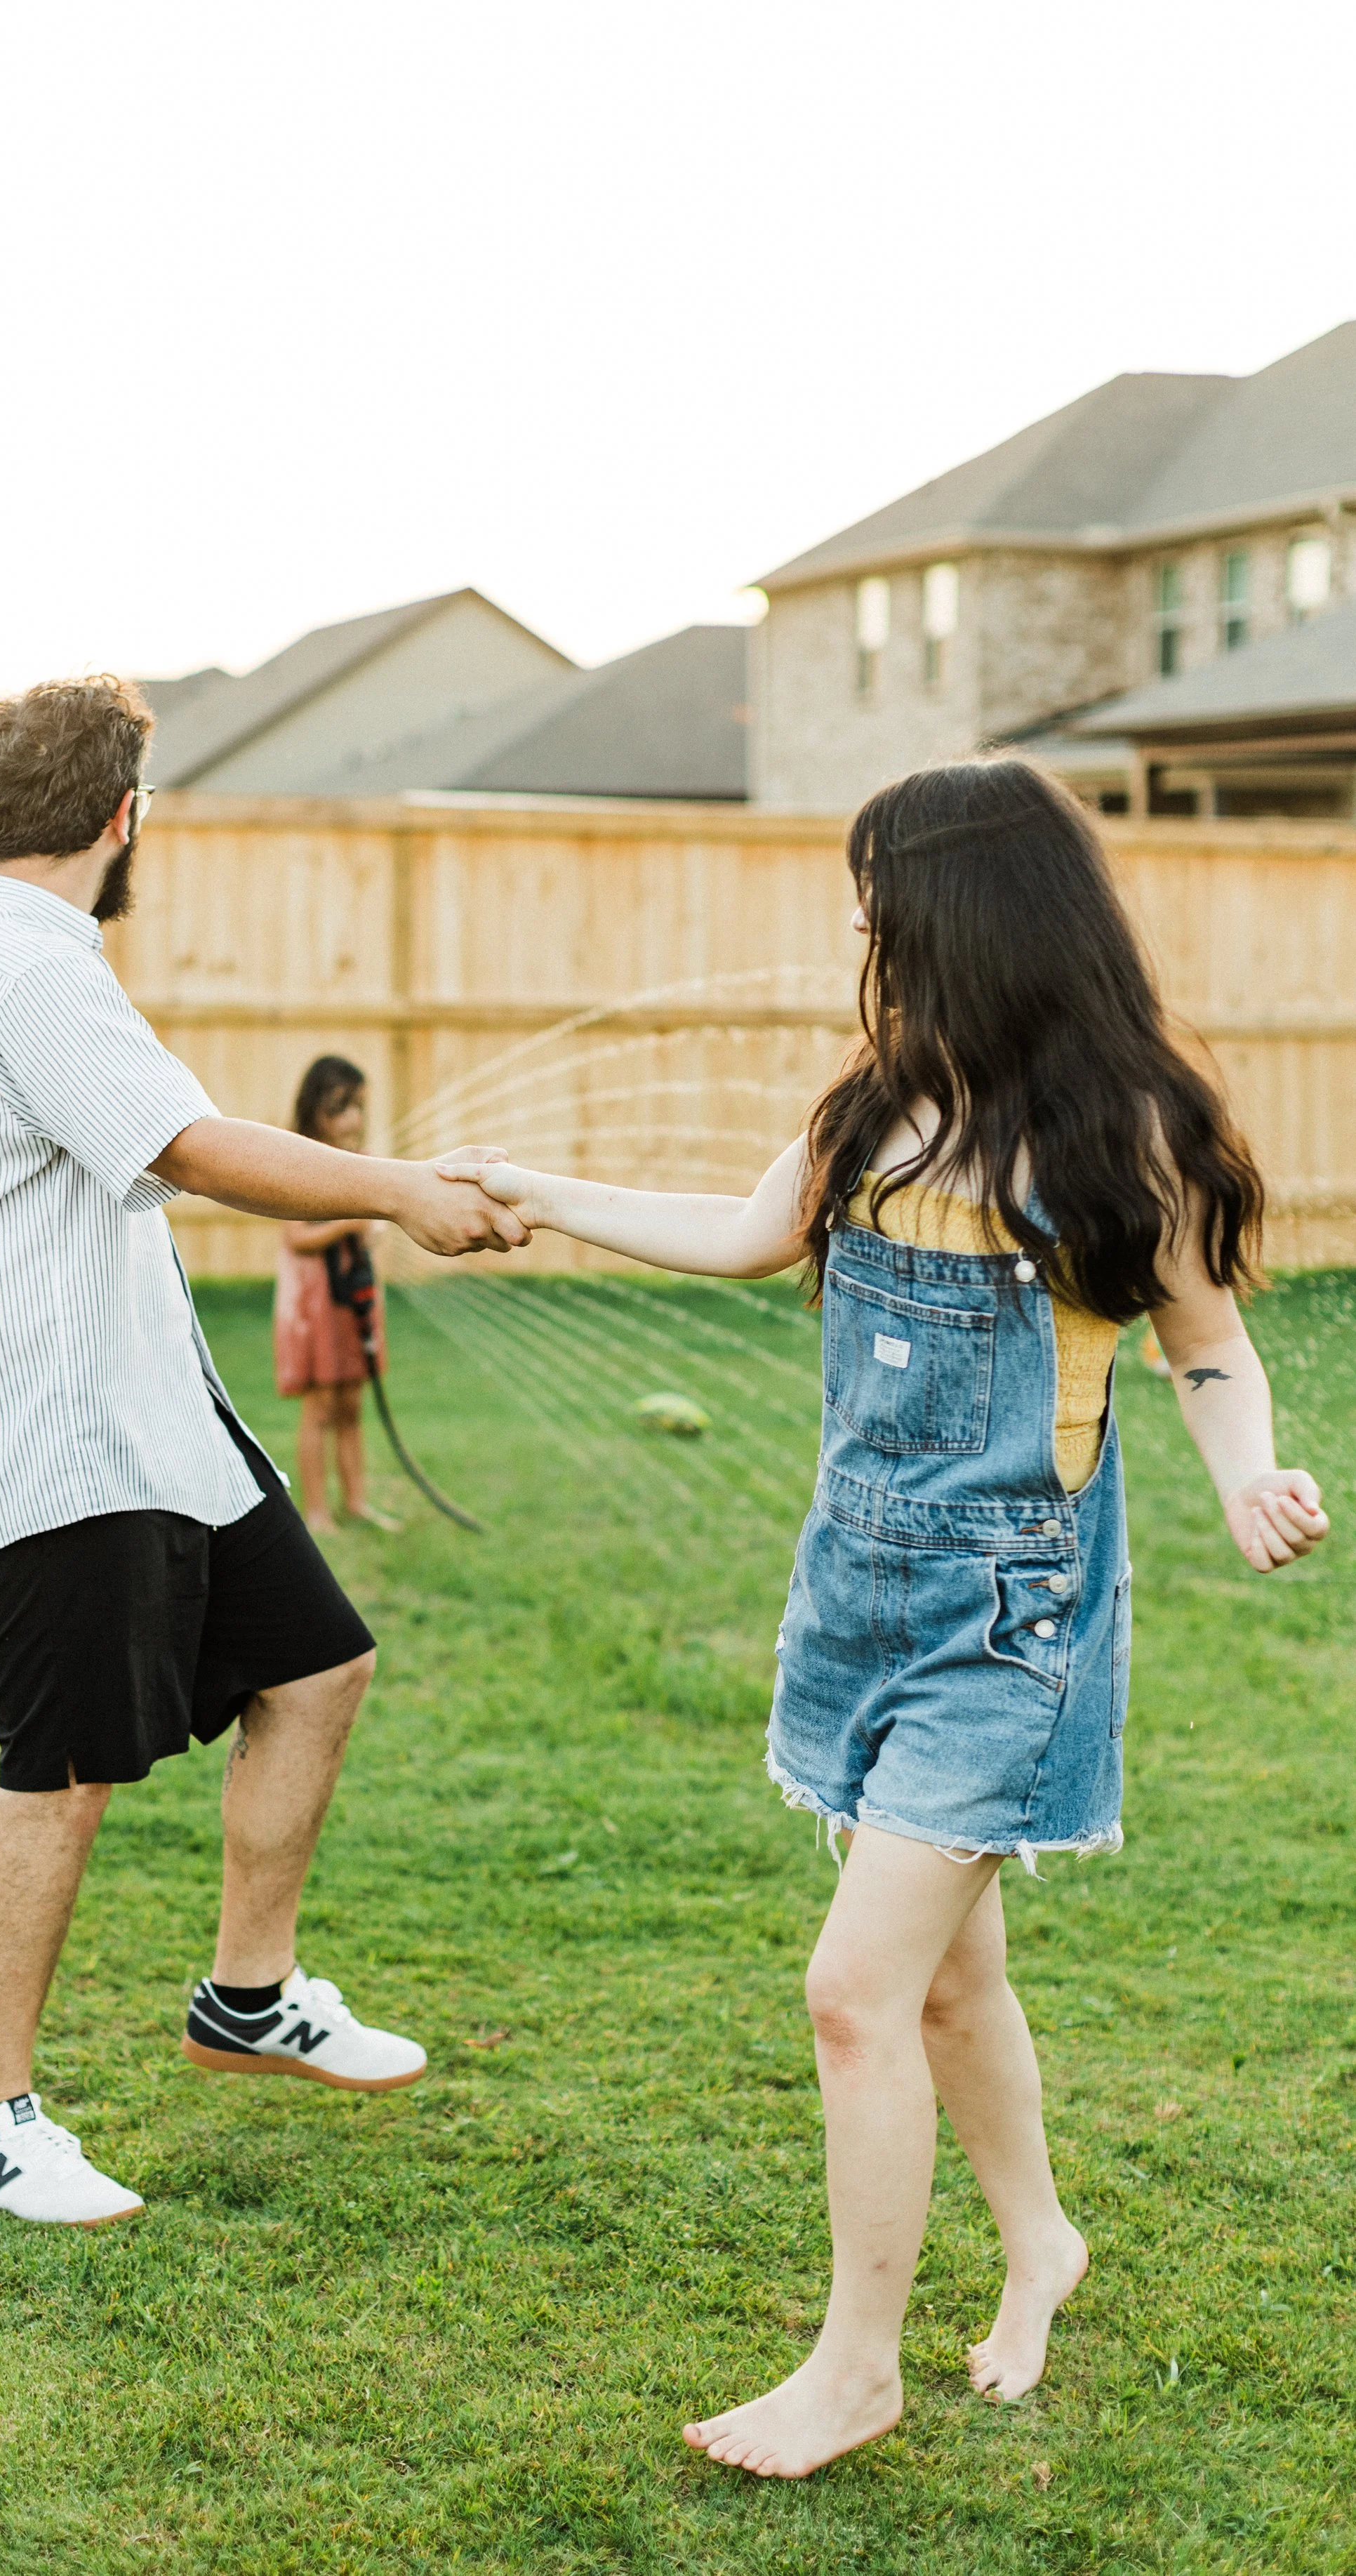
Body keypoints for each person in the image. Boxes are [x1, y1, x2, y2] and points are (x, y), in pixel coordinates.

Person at [441, 758, 1327, 2478]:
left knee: (856, 1985)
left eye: (878, 888)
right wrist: (547, 1193)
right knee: (943, 1978)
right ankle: (1040, 2236)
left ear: (962, 910)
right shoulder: (873, 1110)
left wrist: (1244, 1469)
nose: (861, 919)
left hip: (1013, 1612)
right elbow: (741, 1231)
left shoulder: (1120, 1130)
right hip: (858, 1592)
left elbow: (1203, 1339)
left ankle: (858, 2364)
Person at [0, 675, 524, 2230]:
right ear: (122, 816)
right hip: (44, 1435)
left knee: (317, 1668)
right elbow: (192, 1147)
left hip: (149, 1423)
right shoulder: (20, 972)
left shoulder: (21, 956)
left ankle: (248, 1994)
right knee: (64, 1773)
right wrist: (400, 1190)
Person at [273, 1055, 399, 1533]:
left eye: (360, 1108)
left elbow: (374, 1228)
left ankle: (357, 1502)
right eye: (341, 1107)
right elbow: (296, 1238)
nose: (354, 1120)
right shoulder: (298, 1162)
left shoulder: (362, 1165)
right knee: (322, 1406)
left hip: (356, 1297)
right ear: (315, 1110)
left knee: (352, 1404)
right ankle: (318, 1512)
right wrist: (351, 1219)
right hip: (317, 1301)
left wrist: (372, 1232)